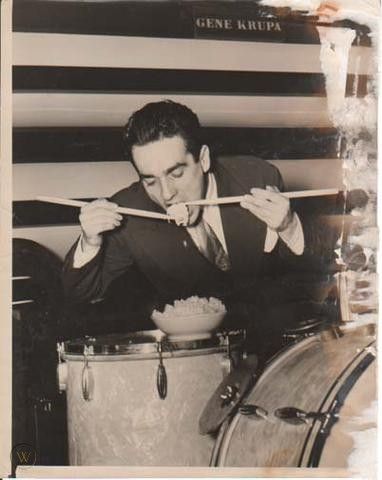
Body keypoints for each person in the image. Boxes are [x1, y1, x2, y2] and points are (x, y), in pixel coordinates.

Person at [62, 100, 334, 348]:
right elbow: (82, 295)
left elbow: (314, 271)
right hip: (196, 355)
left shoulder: (255, 178)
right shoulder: (130, 212)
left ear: (203, 159)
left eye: (176, 173)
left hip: (272, 343)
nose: (166, 194)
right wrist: (90, 241)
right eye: (150, 180)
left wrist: (288, 226)